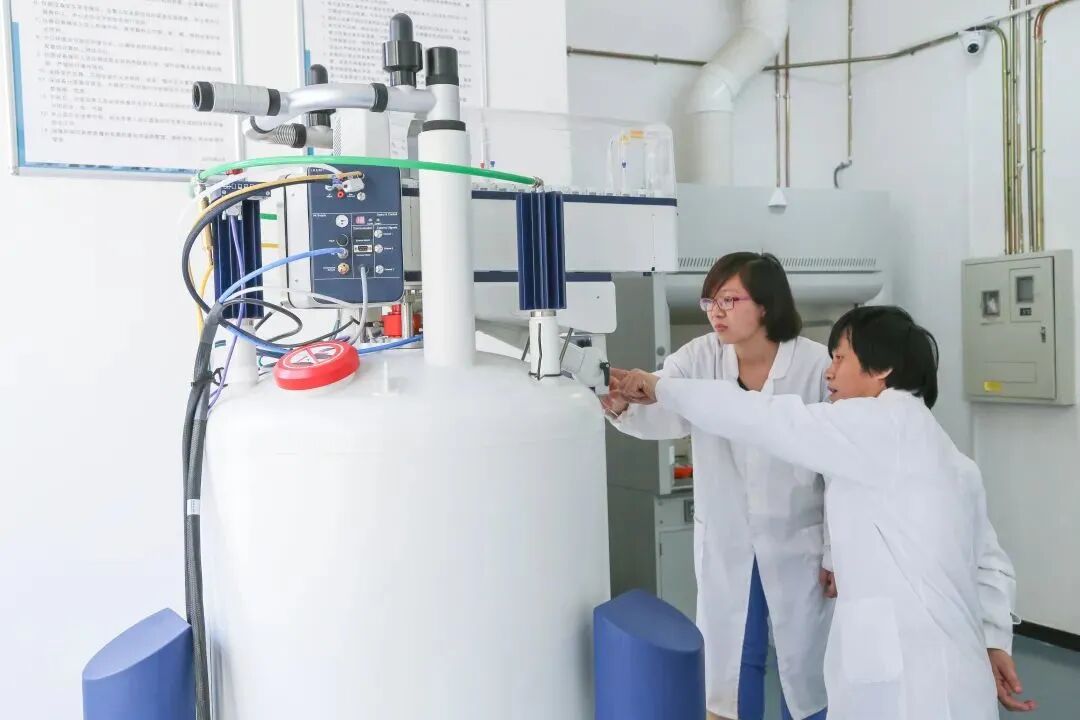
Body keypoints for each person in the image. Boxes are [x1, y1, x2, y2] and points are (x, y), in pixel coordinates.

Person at [613, 305, 1034, 720]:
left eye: (840, 358)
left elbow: (761, 417)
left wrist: (663, 388)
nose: (828, 373)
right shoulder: (950, 456)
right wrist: (995, 639)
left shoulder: (875, 424)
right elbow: (990, 564)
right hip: (959, 670)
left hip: (906, 681)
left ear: (882, 368)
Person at [603, 252, 832, 720]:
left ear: (765, 305)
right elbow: (667, 406)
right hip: (729, 538)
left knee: (805, 665)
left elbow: (835, 468)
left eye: (729, 300)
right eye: (710, 301)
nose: (715, 312)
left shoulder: (814, 365)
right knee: (733, 662)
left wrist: (833, 549)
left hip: (798, 541)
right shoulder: (700, 356)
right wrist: (624, 403)